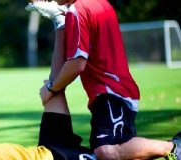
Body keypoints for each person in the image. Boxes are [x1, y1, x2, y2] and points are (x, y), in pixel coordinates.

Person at [26, 0, 181, 159]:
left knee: (106, 151)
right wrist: (59, 19)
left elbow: (76, 64)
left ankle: (175, 147)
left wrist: (51, 88)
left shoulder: (78, 11)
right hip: (115, 93)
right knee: (120, 152)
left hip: (110, 93)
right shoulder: (101, 4)